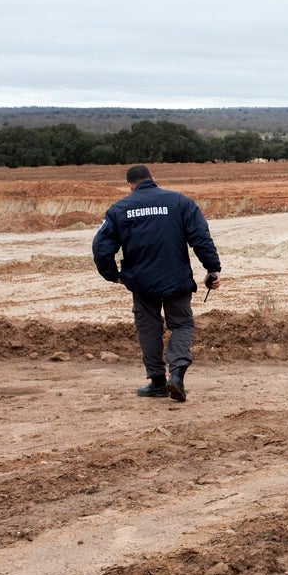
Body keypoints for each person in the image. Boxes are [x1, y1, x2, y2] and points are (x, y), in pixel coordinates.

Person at [92, 164, 222, 402]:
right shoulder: (180, 202)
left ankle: (158, 382)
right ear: (153, 178)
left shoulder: (120, 209)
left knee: (148, 328)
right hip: (177, 279)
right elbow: (200, 237)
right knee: (182, 325)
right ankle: (177, 374)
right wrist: (213, 269)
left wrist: (114, 275)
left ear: (130, 185)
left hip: (142, 283)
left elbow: (101, 248)